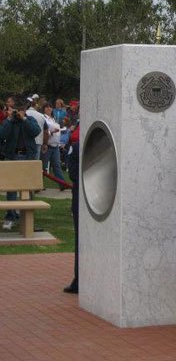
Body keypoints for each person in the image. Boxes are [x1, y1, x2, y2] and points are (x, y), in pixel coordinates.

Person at [0, 96, 42, 230]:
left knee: (27, 189)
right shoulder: (10, 122)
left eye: (21, 110)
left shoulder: (30, 120)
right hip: (12, 156)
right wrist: (9, 119)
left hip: (27, 156)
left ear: (25, 110)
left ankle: (26, 218)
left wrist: (23, 119)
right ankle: (10, 216)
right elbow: (2, 135)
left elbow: (36, 131)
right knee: (11, 189)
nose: (18, 112)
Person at [63, 122, 80, 294]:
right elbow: (73, 174)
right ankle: (79, 280)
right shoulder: (75, 148)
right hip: (81, 200)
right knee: (80, 240)